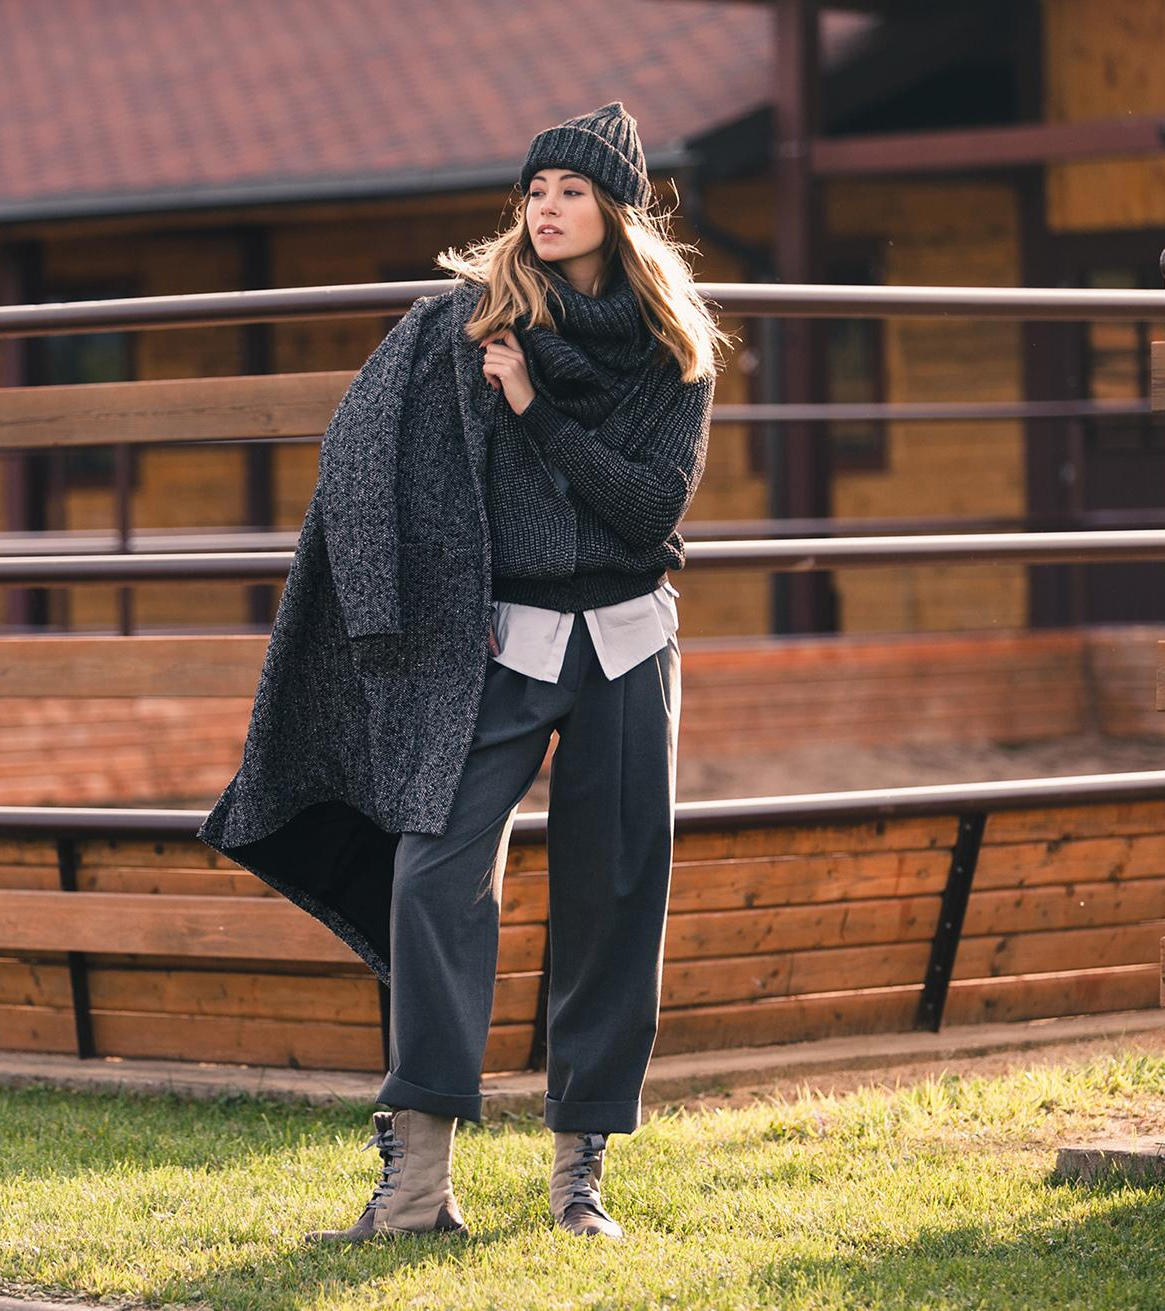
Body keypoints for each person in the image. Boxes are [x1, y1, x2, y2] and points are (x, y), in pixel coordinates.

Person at [197, 100, 731, 1243]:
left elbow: (648, 511)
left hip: (628, 642)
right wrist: (422, 607)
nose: (546, 208)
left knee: (616, 892)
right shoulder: (464, 325)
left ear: (618, 211)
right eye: (534, 190)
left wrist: (533, 410)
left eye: (570, 191)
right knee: (432, 876)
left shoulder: (671, 347)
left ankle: (578, 1176)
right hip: (496, 644)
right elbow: (361, 454)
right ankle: (416, 1188)